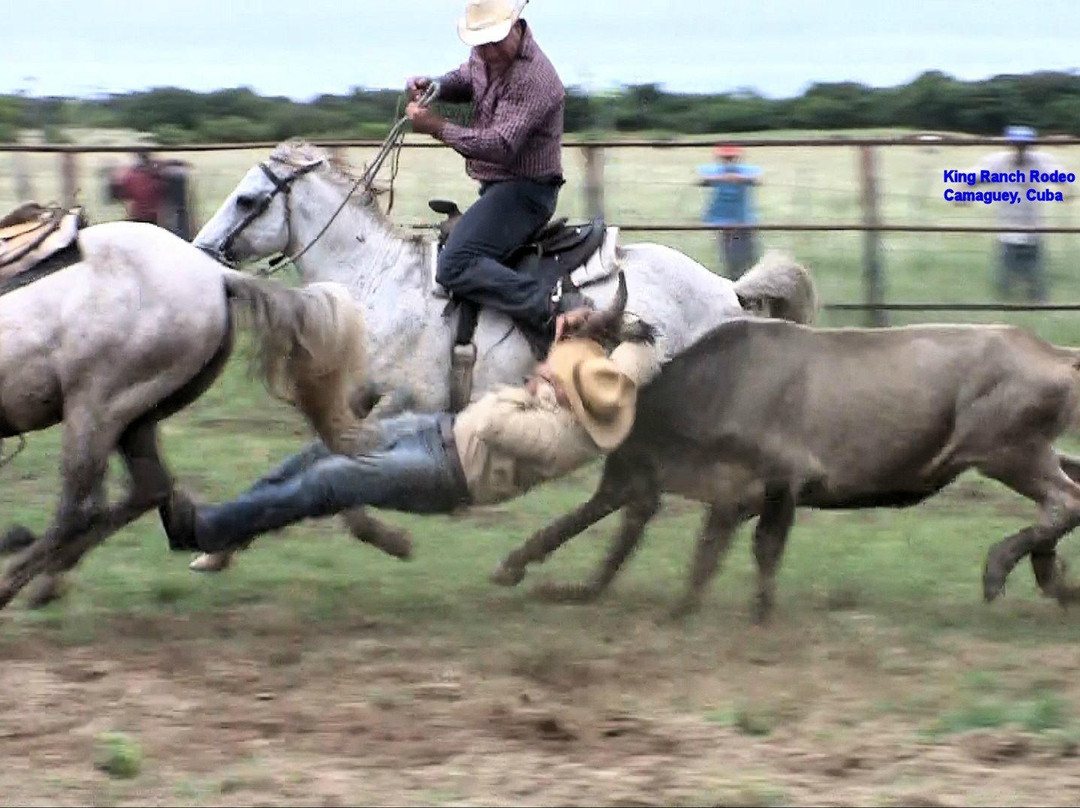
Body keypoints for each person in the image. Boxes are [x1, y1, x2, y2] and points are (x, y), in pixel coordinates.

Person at [163, 309, 661, 556]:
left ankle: (204, 530)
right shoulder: (601, 394)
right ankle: (231, 527)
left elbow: (489, 424)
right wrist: (588, 334)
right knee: (323, 450)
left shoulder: (570, 440)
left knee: (328, 481)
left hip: (445, 474)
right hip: (436, 430)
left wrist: (539, 381)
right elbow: (643, 343)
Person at [402, 0, 591, 344]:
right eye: (480, 44)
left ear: (515, 26)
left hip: (526, 192)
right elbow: (468, 77)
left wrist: (436, 127)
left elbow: (500, 145)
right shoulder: (486, 54)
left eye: (493, 42)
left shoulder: (534, 78)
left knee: (454, 264)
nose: (487, 53)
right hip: (500, 188)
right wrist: (437, 85)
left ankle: (549, 312)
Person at [966, 126, 1069, 303]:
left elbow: (1060, 177)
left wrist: (1067, 189)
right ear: (1010, 144)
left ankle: (1037, 299)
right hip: (1007, 226)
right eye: (1017, 145)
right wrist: (962, 193)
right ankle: (1005, 301)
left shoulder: (1041, 161)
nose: (1021, 149)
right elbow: (973, 178)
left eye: (1025, 145)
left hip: (1033, 226)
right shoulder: (997, 162)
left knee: (1035, 272)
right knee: (1005, 273)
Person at [698, 144, 763, 280]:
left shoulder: (745, 170)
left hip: (744, 219)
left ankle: (751, 276)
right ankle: (733, 278)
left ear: (739, 157)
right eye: (725, 158)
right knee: (729, 254)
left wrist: (734, 177)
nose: (728, 161)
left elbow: (756, 178)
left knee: (750, 253)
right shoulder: (714, 170)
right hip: (722, 219)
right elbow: (704, 178)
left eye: (732, 157)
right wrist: (725, 177)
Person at [109, 149, 165, 226]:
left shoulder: (130, 176)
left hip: (137, 216)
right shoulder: (155, 175)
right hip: (151, 217)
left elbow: (120, 196)